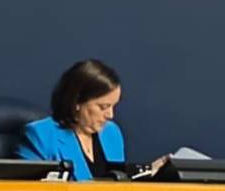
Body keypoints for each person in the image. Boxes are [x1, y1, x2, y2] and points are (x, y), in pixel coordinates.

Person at [17, 59, 154, 181]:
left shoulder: (112, 133)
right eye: (103, 107)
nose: (110, 115)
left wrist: (149, 173)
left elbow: (116, 185)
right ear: (77, 101)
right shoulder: (40, 135)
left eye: (113, 106)